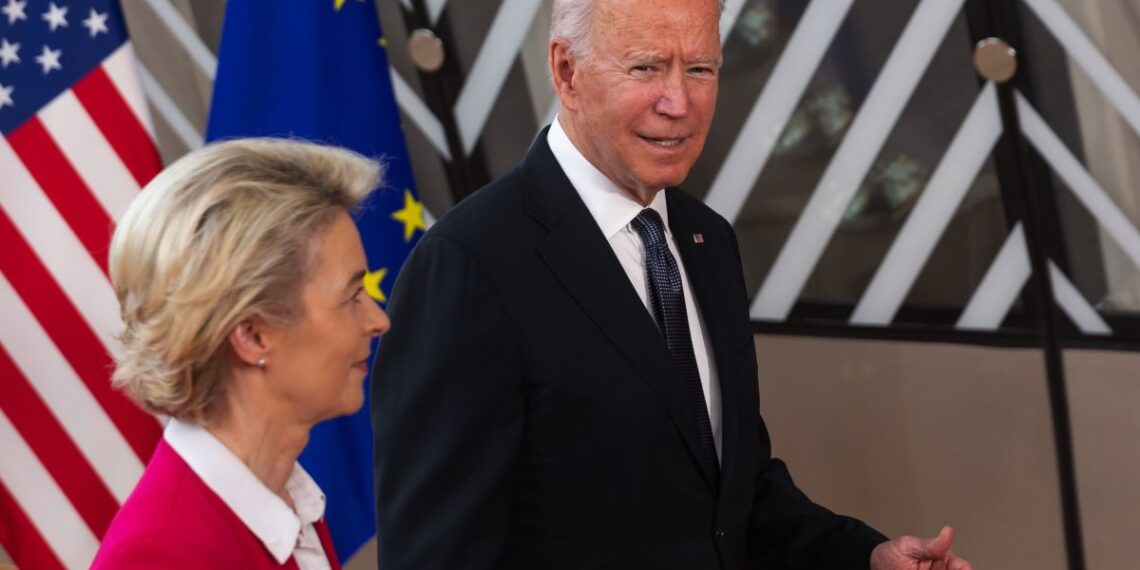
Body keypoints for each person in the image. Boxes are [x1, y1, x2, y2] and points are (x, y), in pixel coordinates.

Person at [372, 0, 973, 568]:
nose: (680, 103)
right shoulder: (466, 267)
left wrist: (863, 558)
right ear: (566, 71)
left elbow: (731, 494)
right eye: (646, 68)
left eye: (701, 69)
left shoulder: (707, 239)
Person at [91, 138, 390, 569]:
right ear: (251, 335)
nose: (379, 320)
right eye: (351, 296)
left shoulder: (282, 495)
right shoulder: (157, 557)